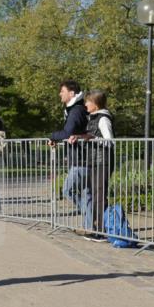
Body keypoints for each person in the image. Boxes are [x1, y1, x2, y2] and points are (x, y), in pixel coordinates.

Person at [69, 90, 115, 241]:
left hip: (103, 161)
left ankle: (101, 232)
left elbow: (110, 141)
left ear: (95, 104)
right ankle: (96, 228)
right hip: (94, 162)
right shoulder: (93, 118)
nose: (85, 104)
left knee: (99, 196)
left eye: (87, 102)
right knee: (95, 195)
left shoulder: (103, 119)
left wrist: (93, 138)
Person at [48, 80, 92, 229]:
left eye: (62, 91)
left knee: (68, 190)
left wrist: (52, 136)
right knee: (87, 195)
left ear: (71, 93)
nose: (60, 94)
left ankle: (94, 216)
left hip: (81, 159)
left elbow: (68, 132)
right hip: (84, 158)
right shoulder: (76, 109)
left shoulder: (76, 111)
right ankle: (90, 227)